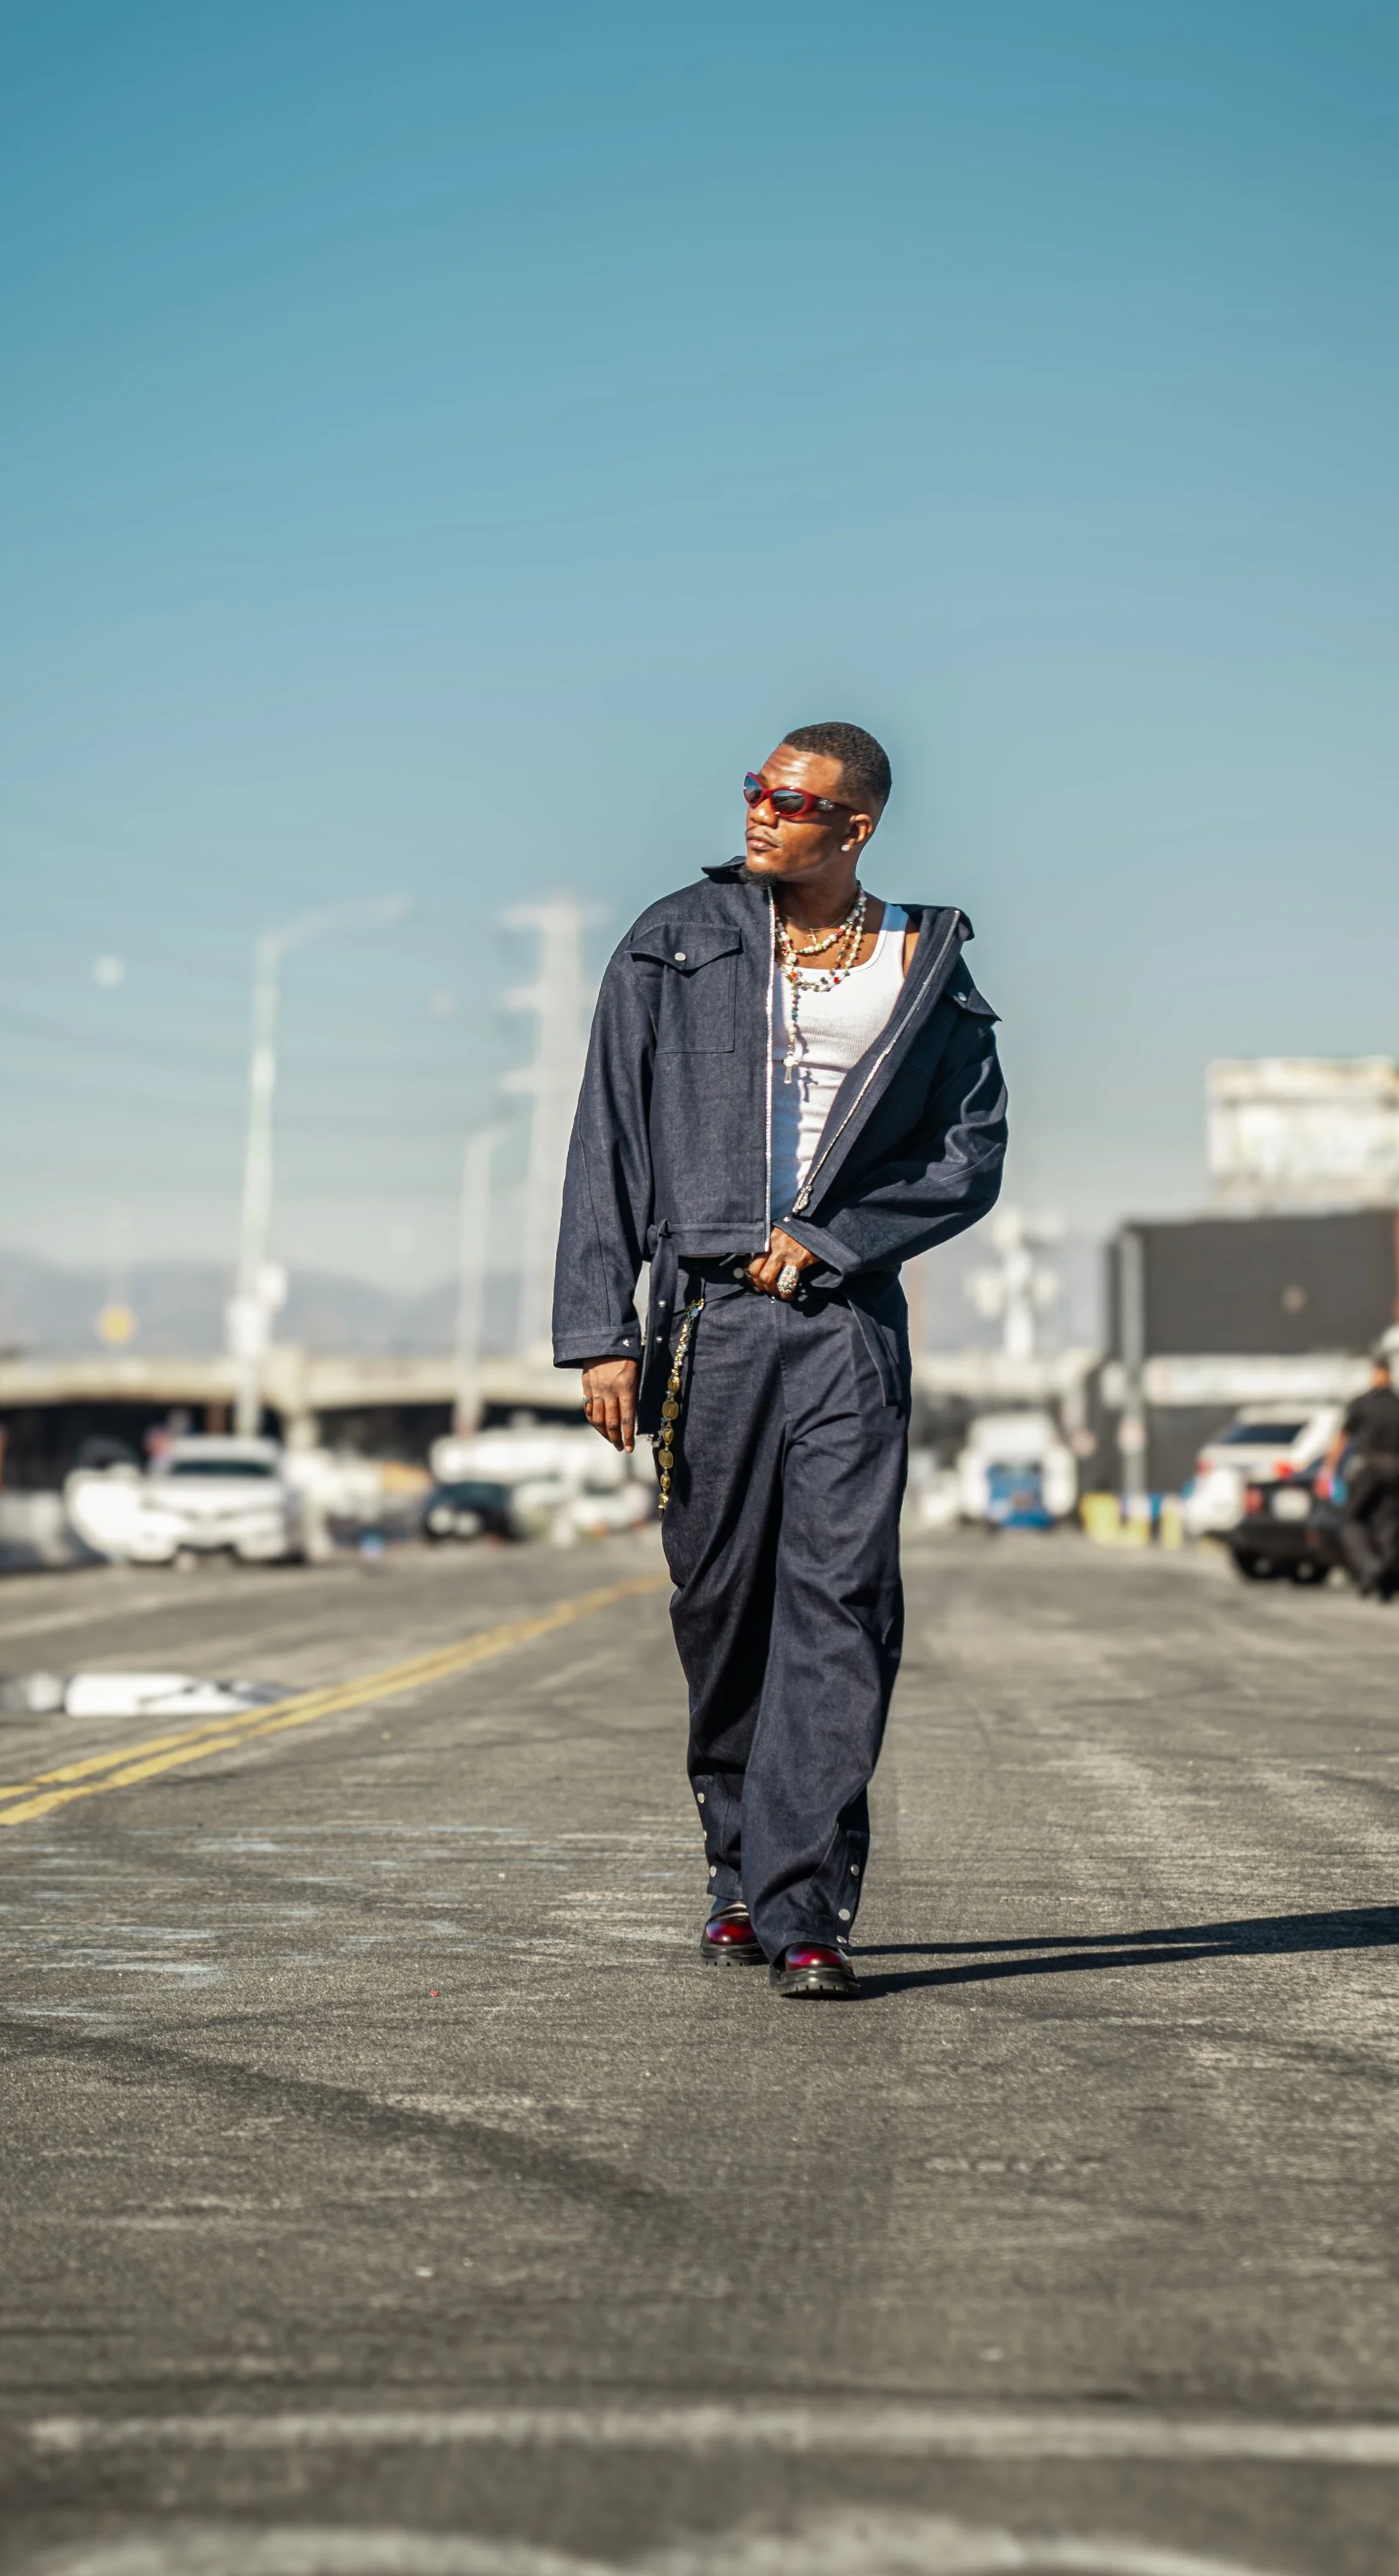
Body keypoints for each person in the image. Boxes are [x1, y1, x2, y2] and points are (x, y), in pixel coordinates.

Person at [553, 722, 1007, 1999]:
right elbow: (608, 1136)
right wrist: (600, 1331)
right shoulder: (674, 938)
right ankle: (739, 1868)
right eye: (756, 789)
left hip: (846, 1324)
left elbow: (967, 1153)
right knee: (721, 1606)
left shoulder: (925, 959)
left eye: (793, 800)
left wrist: (834, 1237)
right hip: (707, 1321)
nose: (761, 811)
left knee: (840, 1605)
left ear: (854, 825)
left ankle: (807, 1905)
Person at [1328, 1358, 1399, 1600]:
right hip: (1395, 1470)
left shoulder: (1362, 1404)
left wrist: (1328, 1469)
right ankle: (1383, 1574)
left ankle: (1369, 1564)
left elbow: (1341, 1439)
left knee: (1351, 1521)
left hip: (1367, 1470)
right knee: (1389, 1525)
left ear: (1375, 1374)